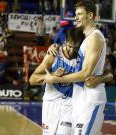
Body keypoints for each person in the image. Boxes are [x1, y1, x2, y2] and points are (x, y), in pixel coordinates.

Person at [29, 28, 112, 135]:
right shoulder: (53, 55)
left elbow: (109, 74)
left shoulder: (84, 58)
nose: (72, 50)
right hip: (51, 103)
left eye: (76, 47)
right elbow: (32, 80)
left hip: (70, 105)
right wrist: (52, 76)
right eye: (69, 46)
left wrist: (99, 79)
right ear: (65, 42)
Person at [44, 1, 108, 134]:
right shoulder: (85, 39)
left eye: (79, 14)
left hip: (90, 97)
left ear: (90, 15)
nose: (75, 17)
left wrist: (54, 79)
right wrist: (55, 46)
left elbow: (85, 73)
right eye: (76, 14)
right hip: (79, 98)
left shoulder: (95, 38)